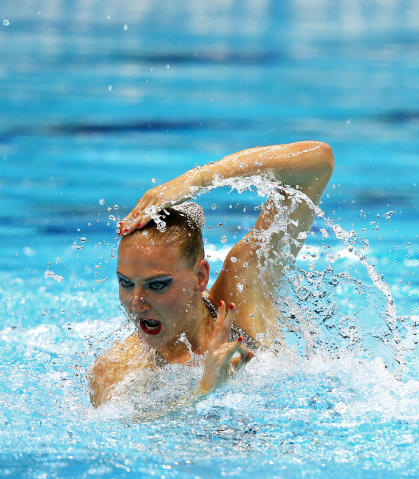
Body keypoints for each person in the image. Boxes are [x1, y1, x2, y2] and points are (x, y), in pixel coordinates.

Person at [89, 141, 334, 407]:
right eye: (125, 283)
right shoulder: (116, 371)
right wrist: (204, 391)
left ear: (200, 277)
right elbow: (124, 437)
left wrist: (196, 180)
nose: (136, 301)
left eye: (157, 285)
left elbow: (318, 163)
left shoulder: (242, 296)